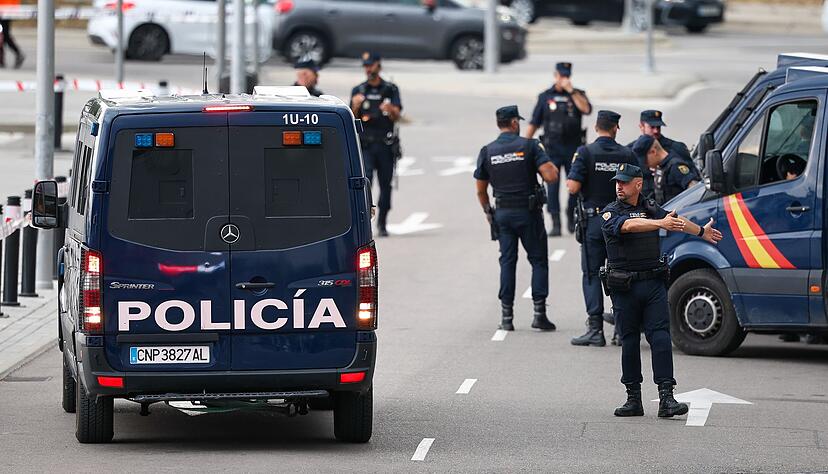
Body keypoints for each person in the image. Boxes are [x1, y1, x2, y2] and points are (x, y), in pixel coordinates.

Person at [600, 163, 723, 417]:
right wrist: (659, 223)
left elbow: (674, 220)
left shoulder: (650, 207)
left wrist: (701, 231)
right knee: (630, 342)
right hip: (625, 287)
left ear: (638, 184)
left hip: (653, 284)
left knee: (660, 338)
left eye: (624, 182)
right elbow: (628, 227)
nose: (619, 186)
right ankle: (633, 398)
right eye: (617, 182)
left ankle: (667, 397)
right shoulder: (611, 212)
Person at [475, 105, 560, 331]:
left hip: (502, 214)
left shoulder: (487, 150)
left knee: (507, 262)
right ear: (514, 123)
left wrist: (488, 212)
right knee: (538, 260)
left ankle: (506, 317)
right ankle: (539, 314)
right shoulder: (530, 146)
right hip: (528, 213)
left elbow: (481, 190)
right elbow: (551, 176)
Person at [567, 110, 638, 347]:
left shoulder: (585, 152)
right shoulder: (627, 153)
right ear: (616, 128)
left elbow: (573, 187)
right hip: (622, 222)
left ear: (596, 127)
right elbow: (638, 186)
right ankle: (621, 328)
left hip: (595, 222)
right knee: (621, 273)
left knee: (591, 274)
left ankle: (595, 329)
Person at [525, 62, 592, 237]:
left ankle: (571, 214)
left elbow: (586, 109)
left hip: (573, 148)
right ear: (555, 75)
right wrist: (524, 144)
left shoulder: (578, 95)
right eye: (561, 76)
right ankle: (555, 222)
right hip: (552, 148)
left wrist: (571, 91)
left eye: (567, 76)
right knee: (552, 186)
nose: (564, 79)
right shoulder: (545, 96)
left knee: (574, 185)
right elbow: (534, 121)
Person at [351, 52, 402, 237]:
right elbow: (352, 119)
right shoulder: (358, 90)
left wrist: (390, 110)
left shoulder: (390, 89)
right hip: (365, 145)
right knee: (366, 184)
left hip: (385, 144)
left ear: (378, 65)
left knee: (386, 185)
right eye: (365, 66)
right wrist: (356, 106)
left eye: (371, 65)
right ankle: (365, 222)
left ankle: (382, 222)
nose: (368, 69)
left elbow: (398, 116)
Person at [629, 110, 692, 200]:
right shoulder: (631, 151)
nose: (656, 131)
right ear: (641, 126)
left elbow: (693, 183)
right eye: (652, 127)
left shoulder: (677, 148)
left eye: (658, 127)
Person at [631, 135, 700, 205]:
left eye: (645, 160)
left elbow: (696, 189)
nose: (645, 164)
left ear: (653, 152)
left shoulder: (675, 166)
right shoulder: (661, 167)